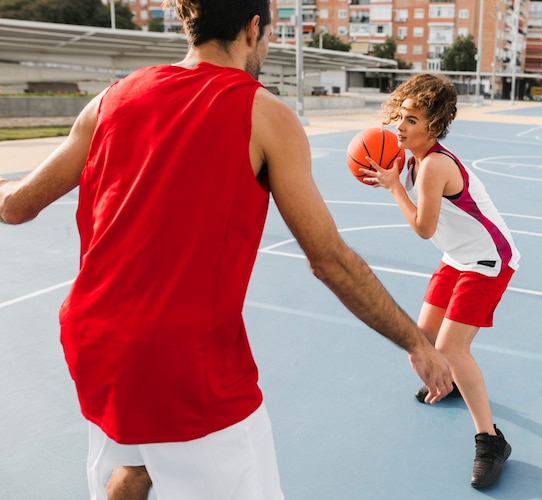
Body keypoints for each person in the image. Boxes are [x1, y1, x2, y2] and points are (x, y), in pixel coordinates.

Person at [0, 1, 453, 498]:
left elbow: (16, 206)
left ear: (187, 23)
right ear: (252, 29)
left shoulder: (111, 99)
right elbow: (330, 261)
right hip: (187, 366)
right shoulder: (263, 114)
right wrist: (418, 343)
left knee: (133, 464)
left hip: (95, 345)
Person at [362, 73, 520, 489]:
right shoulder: (411, 157)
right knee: (420, 340)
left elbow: (423, 228)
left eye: (412, 120)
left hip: (488, 260)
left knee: (451, 348)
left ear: (433, 126)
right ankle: (450, 387)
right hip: (459, 257)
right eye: (400, 116)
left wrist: (395, 188)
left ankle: (491, 440)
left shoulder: (433, 165)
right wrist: (387, 171)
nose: (400, 126)